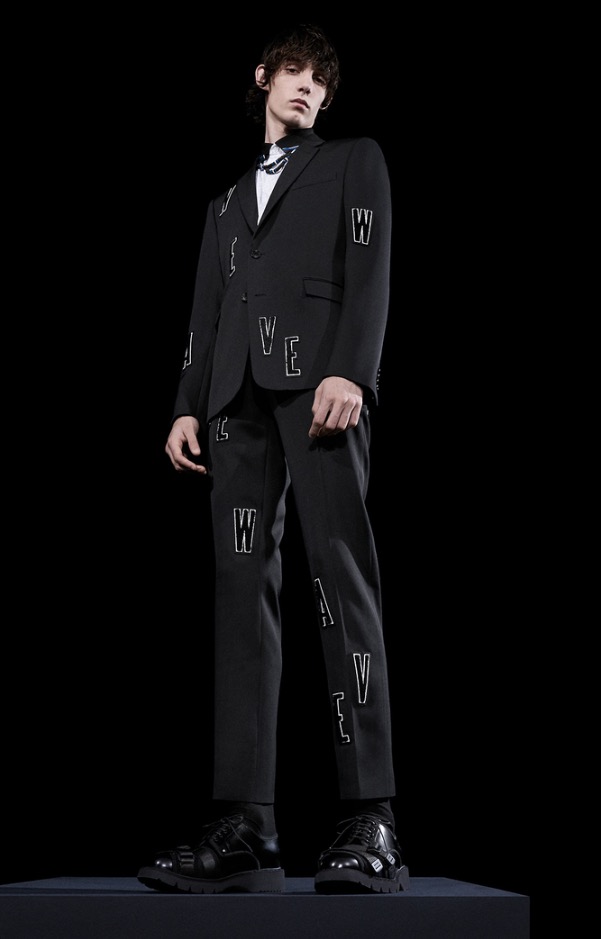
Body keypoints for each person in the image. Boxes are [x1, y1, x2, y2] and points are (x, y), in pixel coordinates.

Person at [137, 22, 408, 896]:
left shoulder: (353, 161)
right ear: (262, 78)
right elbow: (203, 314)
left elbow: (370, 265)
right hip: (233, 401)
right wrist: (186, 404)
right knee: (239, 597)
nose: (307, 90)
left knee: (339, 574)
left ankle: (370, 814)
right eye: (294, 73)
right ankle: (246, 825)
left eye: (320, 83)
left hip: (320, 384)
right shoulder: (222, 206)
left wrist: (353, 370)